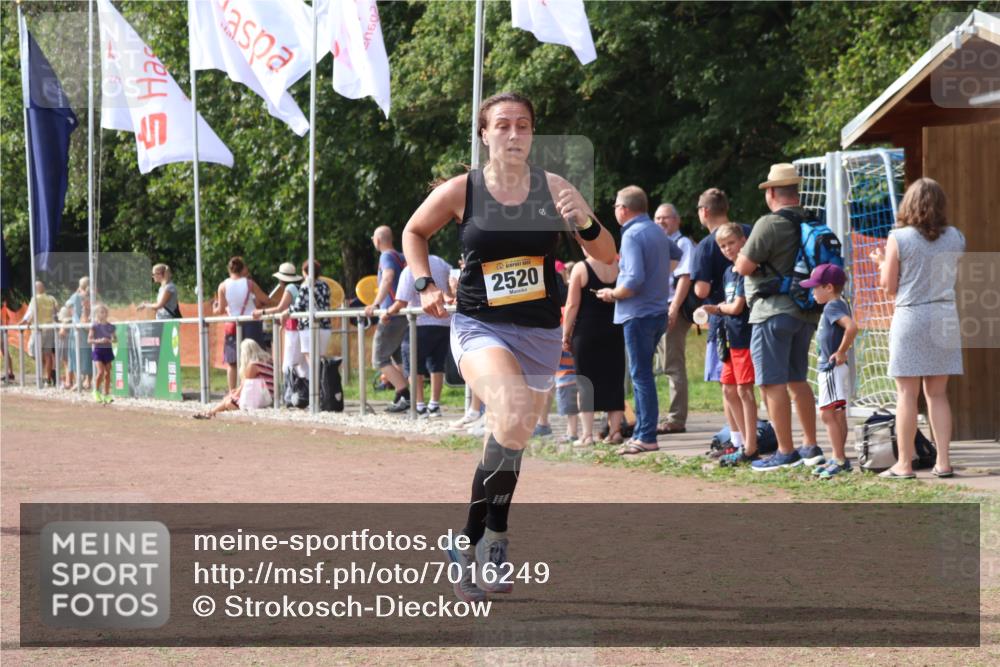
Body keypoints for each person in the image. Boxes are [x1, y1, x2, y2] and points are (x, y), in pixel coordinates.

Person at [401, 92, 615, 602]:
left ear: (533, 134)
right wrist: (425, 284)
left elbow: (607, 256)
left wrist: (584, 221)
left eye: (523, 125)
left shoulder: (555, 187)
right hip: (480, 326)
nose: (514, 133)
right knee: (514, 410)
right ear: (484, 134)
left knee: (510, 437)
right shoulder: (463, 190)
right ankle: (484, 542)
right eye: (502, 125)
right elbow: (414, 231)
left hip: (539, 332)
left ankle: (480, 539)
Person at [870, 178, 965, 479]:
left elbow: (889, 286)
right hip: (944, 315)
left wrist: (882, 263)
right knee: (938, 394)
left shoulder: (899, 237)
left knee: (906, 394)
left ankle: (904, 464)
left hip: (911, 315)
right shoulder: (956, 237)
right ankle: (944, 462)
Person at [734, 163, 822, 471]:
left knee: (771, 383)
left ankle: (785, 451)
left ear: (771, 192)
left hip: (772, 312)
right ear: (795, 191)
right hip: (805, 312)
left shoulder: (769, 224)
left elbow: (743, 266)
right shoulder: (810, 220)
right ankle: (810, 445)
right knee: (798, 379)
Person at [596, 186, 679, 454]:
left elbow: (633, 280)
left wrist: (612, 293)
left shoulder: (632, 234)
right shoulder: (656, 230)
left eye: (615, 206)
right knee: (644, 375)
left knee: (641, 376)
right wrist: (658, 280)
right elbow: (677, 254)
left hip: (638, 313)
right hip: (657, 311)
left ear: (623, 209)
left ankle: (646, 436)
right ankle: (644, 432)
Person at [690, 189, 751, 456]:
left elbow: (701, 290)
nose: (727, 249)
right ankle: (746, 439)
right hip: (746, 322)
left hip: (726, 324)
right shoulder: (748, 231)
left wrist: (711, 304)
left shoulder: (706, 245)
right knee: (740, 386)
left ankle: (742, 440)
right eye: (724, 246)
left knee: (733, 387)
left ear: (704, 212)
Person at [702, 224, 758, 467]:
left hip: (744, 337)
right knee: (728, 389)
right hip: (729, 338)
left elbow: (736, 307)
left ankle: (751, 446)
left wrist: (716, 309)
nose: (727, 249)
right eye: (723, 246)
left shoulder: (746, 269)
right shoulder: (728, 272)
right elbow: (729, 302)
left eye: (731, 243)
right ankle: (740, 442)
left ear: (743, 241)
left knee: (745, 391)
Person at [563, 246, 626, 446]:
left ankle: (587, 435)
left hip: (586, 331)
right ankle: (615, 432)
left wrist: (565, 333)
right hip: (615, 329)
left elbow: (572, 304)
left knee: (585, 382)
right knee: (614, 380)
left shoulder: (580, 268)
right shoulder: (619, 266)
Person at [799, 264, 858, 479]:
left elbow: (852, 327)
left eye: (816, 288)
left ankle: (838, 458)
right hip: (834, 370)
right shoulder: (838, 304)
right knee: (838, 413)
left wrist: (841, 351)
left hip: (831, 369)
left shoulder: (833, 306)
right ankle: (839, 458)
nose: (812, 292)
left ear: (829, 287)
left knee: (827, 413)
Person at [385, 254, 454, 418]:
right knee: (437, 365)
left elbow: (401, 302)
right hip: (443, 322)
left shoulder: (411, 268)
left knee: (413, 365)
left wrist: (386, 313)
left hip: (420, 322)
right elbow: (453, 282)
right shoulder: (441, 262)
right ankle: (434, 405)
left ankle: (420, 406)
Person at [654, 203, 696, 434]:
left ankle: (676, 418)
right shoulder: (657, 244)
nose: (661, 222)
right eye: (657, 218)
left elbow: (685, 277)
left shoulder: (682, 244)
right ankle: (659, 415)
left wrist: (674, 309)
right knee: (658, 366)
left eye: (666, 218)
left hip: (673, 309)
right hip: (655, 309)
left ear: (677, 220)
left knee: (672, 364)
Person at [364, 226, 412, 413]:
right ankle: (405, 396)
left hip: (391, 314)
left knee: (379, 358)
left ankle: (405, 394)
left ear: (377, 240)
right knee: (398, 357)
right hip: (402, 313)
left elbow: (388, 277)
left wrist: (375, 304)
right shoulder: (401, 257)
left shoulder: (386, 257)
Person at [213, 256, 272, 391]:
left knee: (232, 362)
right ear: (242, 268)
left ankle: (232, 392)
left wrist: (214, 307)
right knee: (255, 357)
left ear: (229, 269)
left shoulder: (223, 286)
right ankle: (256, 390)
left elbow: (220, 310)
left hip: (232, 324)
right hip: (251, 323)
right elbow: (265, 299)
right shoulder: (249, 284)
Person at [193, 339, 275, 419]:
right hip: (268, 395)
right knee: (230, 398)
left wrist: (233, 395)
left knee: (228, 402)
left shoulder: (253, 366)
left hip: (260, 398)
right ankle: (210, 412)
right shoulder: (268, 362)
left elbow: (245, 386)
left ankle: (210, 413)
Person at [252, 262, 306, 378]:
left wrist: (261, 312)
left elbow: (280, 308)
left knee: (288, 365)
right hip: (302, 327)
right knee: (302, 365)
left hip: (294, 328)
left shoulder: (290, 288)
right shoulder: (300, 287)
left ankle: (290, 387)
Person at [287, 260, 332, 372]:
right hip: (325, 326)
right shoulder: (325, 285)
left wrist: (287, 311)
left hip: (308, 326)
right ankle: (324, 381)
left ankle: (317, 382)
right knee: (320, 360)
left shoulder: (305, 286)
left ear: (305, 271)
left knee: (311, 360)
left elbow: (298, 307)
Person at [20, 281, 58, 385]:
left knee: (32, 351)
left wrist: (23, 322)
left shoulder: (35, 299)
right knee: (48, 354)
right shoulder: (51, 299)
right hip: (49, 329)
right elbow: (56, 312)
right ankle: (48, 377)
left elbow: (30, 313)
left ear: (36, 289)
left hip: (38, 330)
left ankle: (43, 375)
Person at [64, 276, 93, 390]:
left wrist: (77, 324)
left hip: (79, 330)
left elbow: (70, 308)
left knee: (76, 354)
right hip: (87, 328)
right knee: (88, 354)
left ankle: (79, 381)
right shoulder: (91, 296)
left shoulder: (76, 296)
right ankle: (88, 381)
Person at [88, 303, 116, 404]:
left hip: (108, 350)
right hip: (98, 351)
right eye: (101, 312)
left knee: (108, 373)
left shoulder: (110, 326)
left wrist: (111, 339)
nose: (104, 314)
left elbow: (114, 338)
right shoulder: (94, 326)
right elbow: (89, 340)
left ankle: (106, 394)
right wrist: (99, 340)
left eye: (105, 312)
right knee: (100, 372)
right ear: (97, 314)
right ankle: (95, 391)